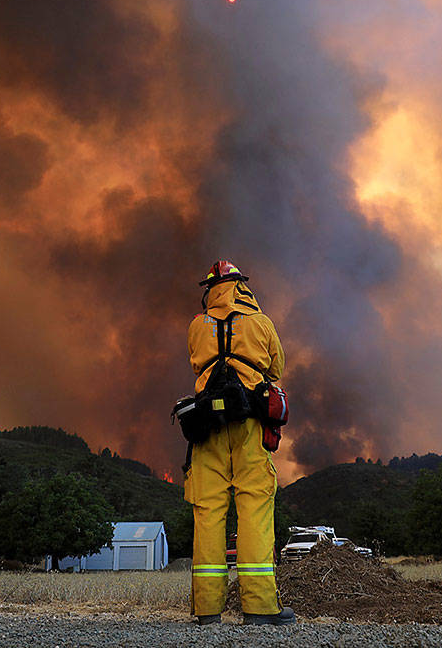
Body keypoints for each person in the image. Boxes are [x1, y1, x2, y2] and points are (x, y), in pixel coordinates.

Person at [184, 260, 295, 626]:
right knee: (254, 510)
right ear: (240, 286)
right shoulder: (261, 323)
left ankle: (207, 611)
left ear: (210, 289)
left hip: (207, 428)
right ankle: (261, 609)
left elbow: (197, 366)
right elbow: (275, 369)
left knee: (208, 513)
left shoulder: (196, 326)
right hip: (249, 426)